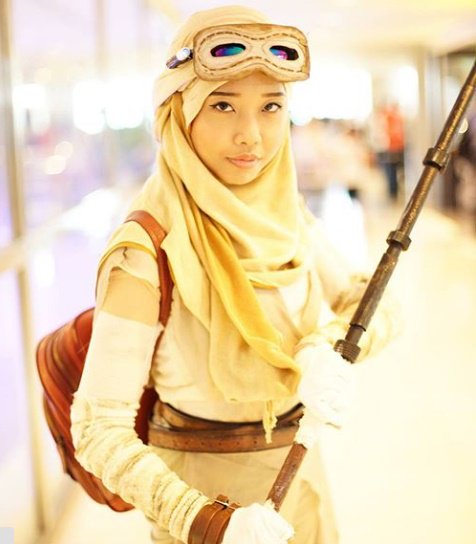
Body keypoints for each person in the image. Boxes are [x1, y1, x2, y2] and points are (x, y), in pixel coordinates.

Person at [70, 5, 398, 544]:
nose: (252, 136)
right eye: (223, 105)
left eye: (271, 106)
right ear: (179, 112)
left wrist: (325, 348)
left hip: (302, 482)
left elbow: (373, 302)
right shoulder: (146, 249)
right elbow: (97, 429)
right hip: (201, 497)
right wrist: (209, 522)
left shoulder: (287, 217)